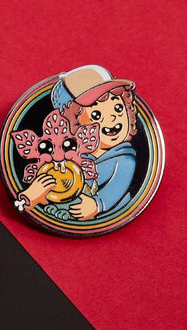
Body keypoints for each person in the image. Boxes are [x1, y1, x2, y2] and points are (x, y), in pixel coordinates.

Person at [52, 65, 137, 220]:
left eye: (118, 107)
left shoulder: (124, 158)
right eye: (97, 114)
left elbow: (118, 186)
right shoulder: (78, 158)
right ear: (75, 123)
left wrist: (98, 205)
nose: (112, 117)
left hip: (111, 214)